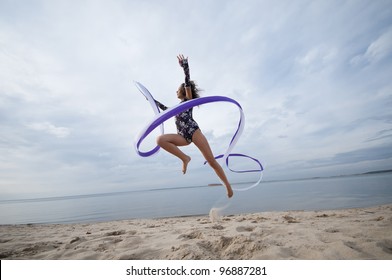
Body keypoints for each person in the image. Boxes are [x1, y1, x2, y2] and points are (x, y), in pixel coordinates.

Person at [155, 54, 234, 198]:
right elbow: (165, 110)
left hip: (193, 132)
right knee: (160, 140)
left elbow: (187, 82)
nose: (176, 92)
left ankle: (228, 186)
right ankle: (185, 158)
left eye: (177, 90)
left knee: (211, 161)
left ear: (184, 92)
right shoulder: (177, 107)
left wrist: (185, 66)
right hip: (182, 136)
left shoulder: (188, 100)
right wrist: (151, 100)